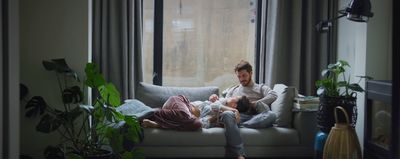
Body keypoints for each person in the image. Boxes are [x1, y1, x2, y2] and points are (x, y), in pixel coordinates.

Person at [190, 94, 250, 159]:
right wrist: (234, 110)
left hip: (194, 113)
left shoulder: (226, 113)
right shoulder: (221, 102)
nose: (233, 96)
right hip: (192, 106)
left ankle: (240, 155)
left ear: (234, 105)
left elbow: (202, 123)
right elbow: (214, 105)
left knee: (228, 114)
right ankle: (240, 154)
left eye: (235, 97)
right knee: (228, 113)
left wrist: (215, 117)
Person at [223, 60, 278, 126]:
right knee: (227, 115)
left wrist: (254, 103)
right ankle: (240, 123)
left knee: (272, 115)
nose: (241, 79)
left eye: (244, 75)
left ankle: (243, 124)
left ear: (251, 73)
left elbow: (273, 95)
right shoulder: (233, 89)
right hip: (238, 116)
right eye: (239, 76)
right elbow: (224, 104)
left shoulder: (260, 88)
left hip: (255, 117)